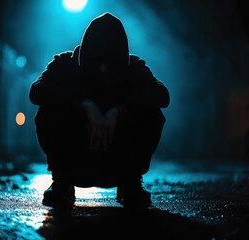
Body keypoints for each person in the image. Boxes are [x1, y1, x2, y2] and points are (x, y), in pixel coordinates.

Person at [29, 13, 169, 207]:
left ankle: (131, 184)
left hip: (119, 163)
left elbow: (162, 95)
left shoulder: (133, 67)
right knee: (48, 108)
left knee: (153, 113)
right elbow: (36, 91)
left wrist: (120, 110)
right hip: (74, 161)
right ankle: (62, 182)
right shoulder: (65, 63)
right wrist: (83, 105)